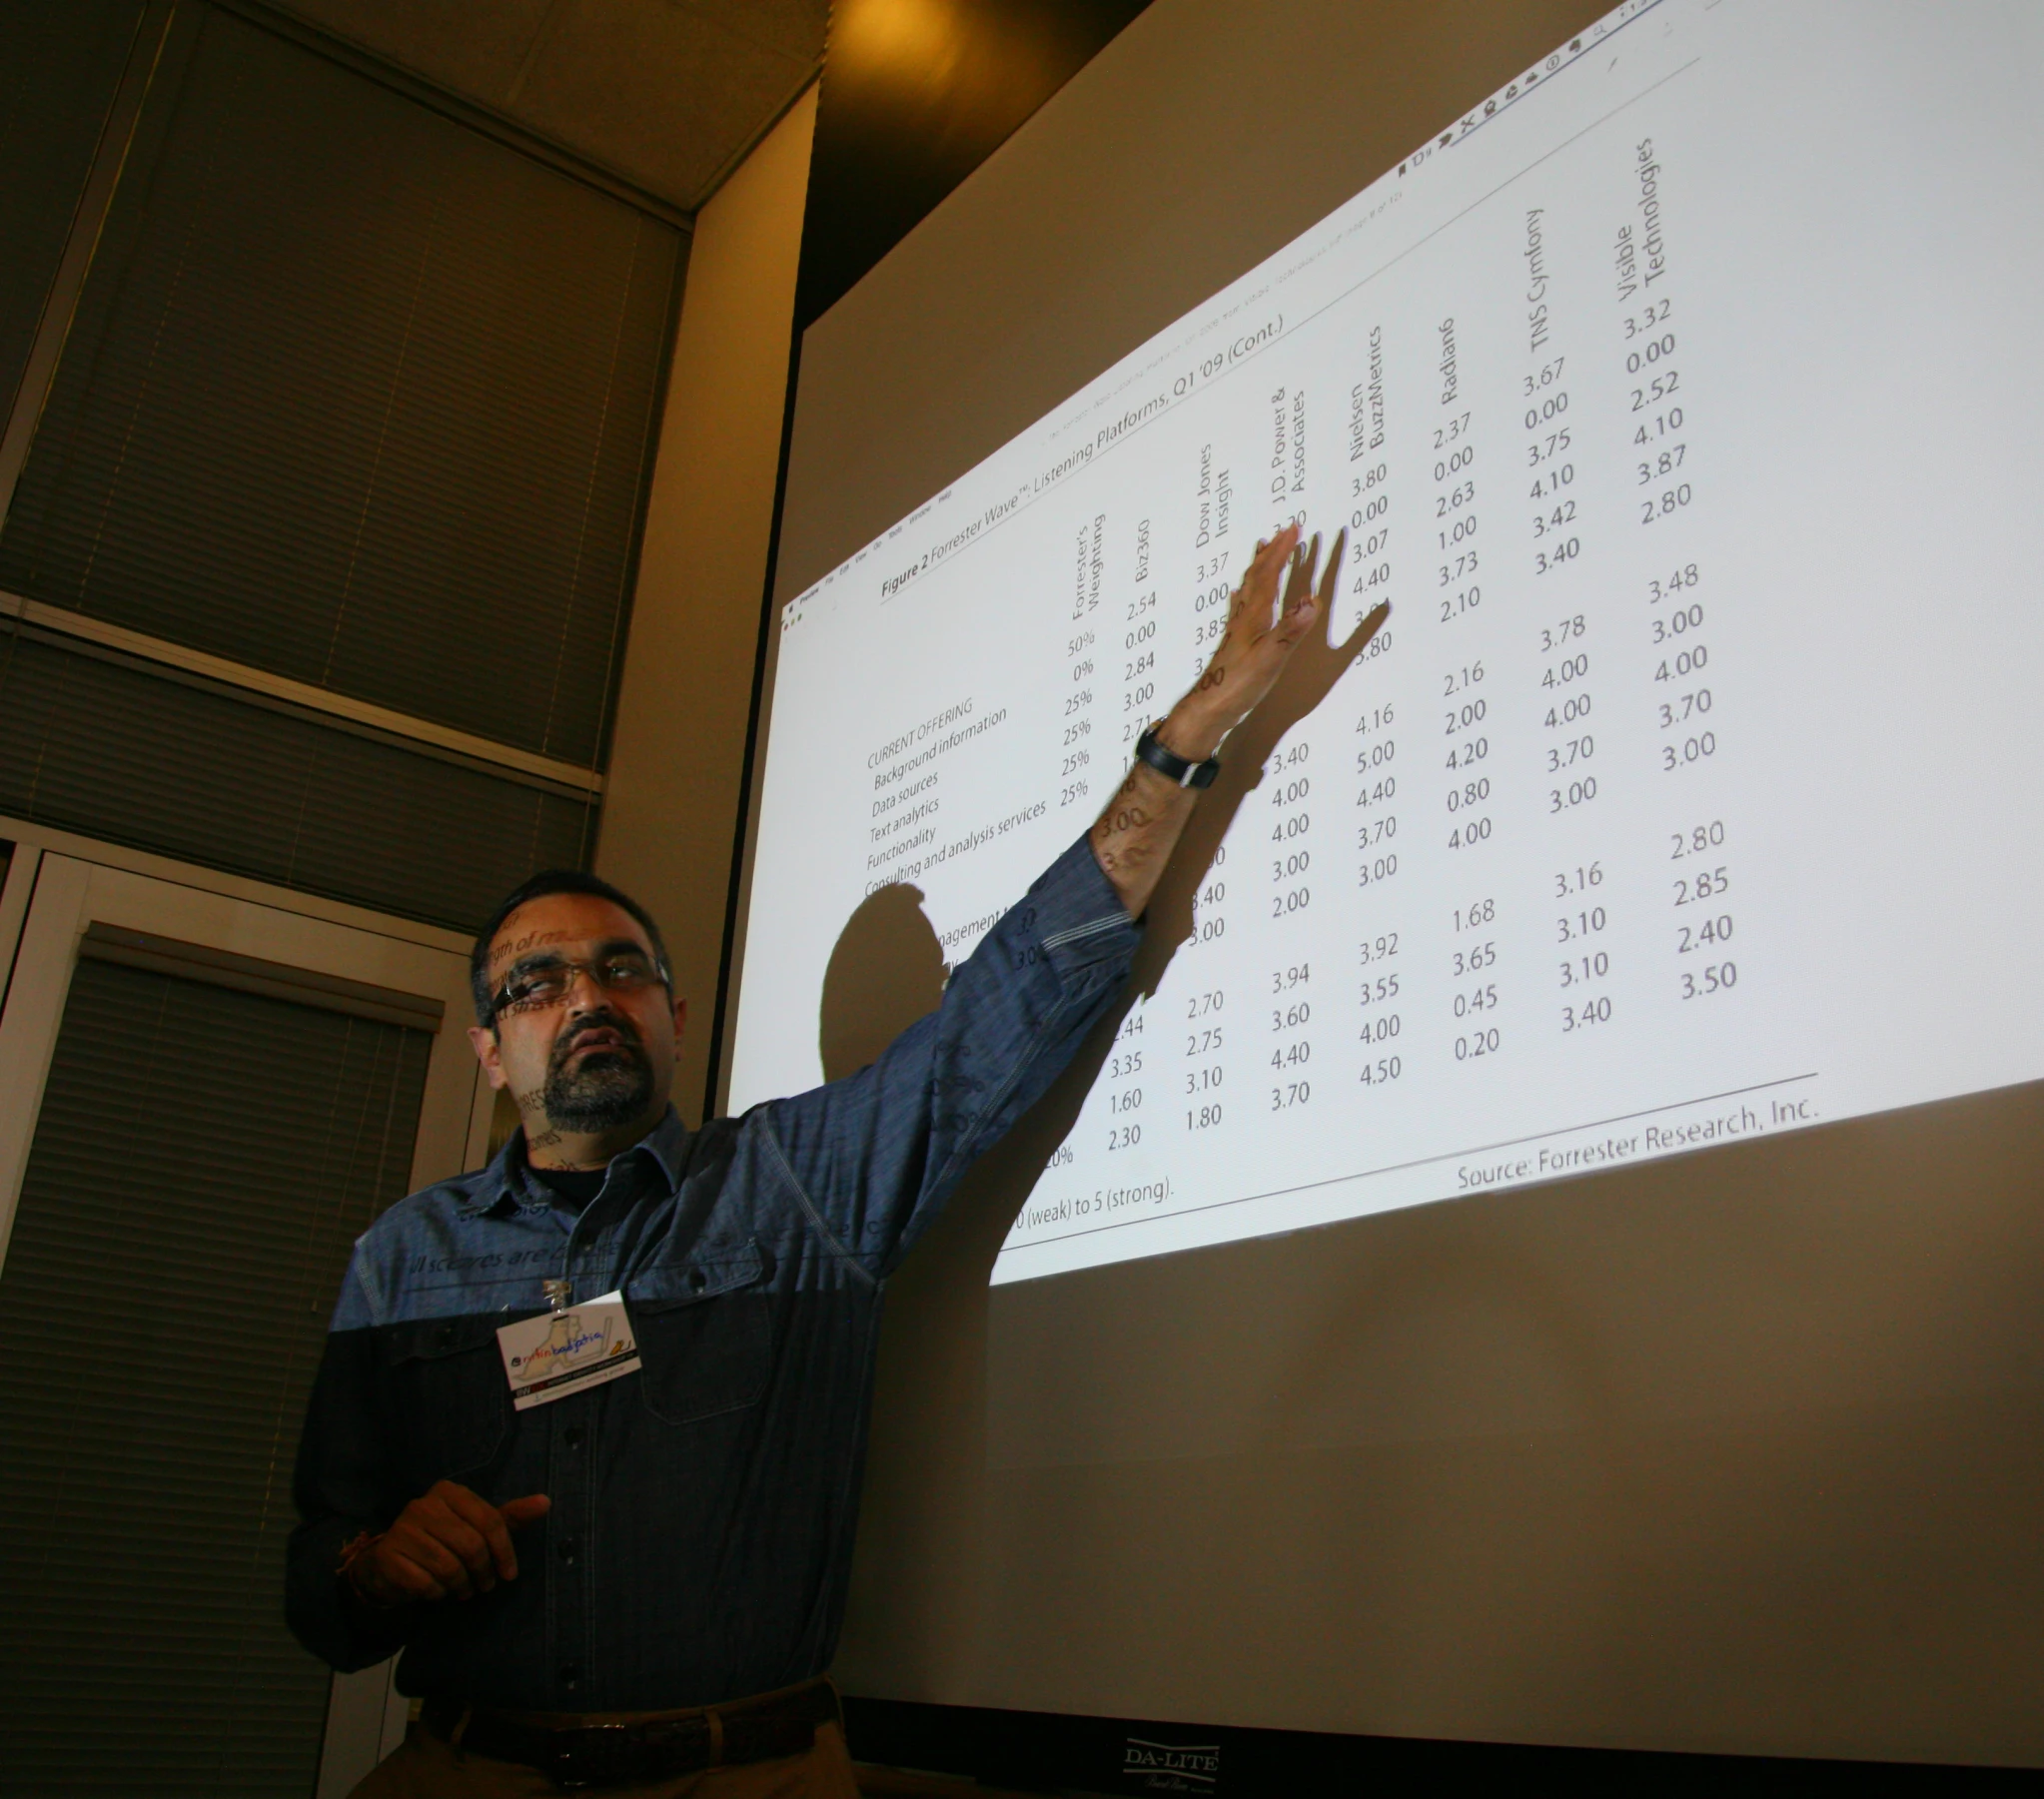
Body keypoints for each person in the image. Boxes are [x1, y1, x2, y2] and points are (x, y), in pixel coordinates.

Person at [289, 524, 1347, 1796]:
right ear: (487, 1045)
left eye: (625, 968)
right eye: (538, 981)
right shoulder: (404, 1259)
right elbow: (320, 1590)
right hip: (464, 1773)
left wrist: (1190, 737)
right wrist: (371, 1565)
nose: (588, 996)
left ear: (676, 1017)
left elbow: (1011, 999)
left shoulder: (797, 1185)